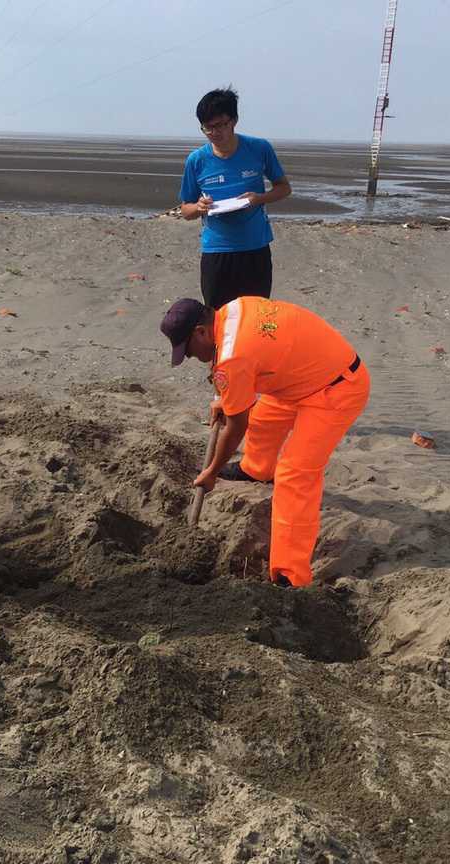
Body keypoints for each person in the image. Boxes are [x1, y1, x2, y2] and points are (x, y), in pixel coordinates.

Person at [160, 296, 369, 587]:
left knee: (294, 475)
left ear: (201, 332)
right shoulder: (233, 309)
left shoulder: (232, 358)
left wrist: (212, 472)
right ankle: (256, 469)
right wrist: (227, 396)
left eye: (190, 350)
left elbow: (235, 427)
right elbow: (252, 360)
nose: (192, 357)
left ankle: (290, 575)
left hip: (335, 389)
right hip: (300, 375)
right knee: (262, 420)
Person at [178, 87, 291, 309]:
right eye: (208, 128)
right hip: (217, 252)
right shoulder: (197, 160)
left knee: (257, 319)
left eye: (221, 125)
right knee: (218, 321)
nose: (215, 133)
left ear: (234, 120)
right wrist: (199, 207)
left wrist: (258, 199)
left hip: (255, 249)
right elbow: (185, 211)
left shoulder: (259, 148)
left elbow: (284, 188)